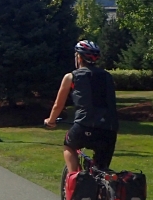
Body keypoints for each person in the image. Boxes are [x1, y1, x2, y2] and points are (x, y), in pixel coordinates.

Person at [44, 40, 118, 173]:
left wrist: (51, 121)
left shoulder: (71, 76)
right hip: (109, 129)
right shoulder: (108, 77)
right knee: (101, 170)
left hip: (84, 125)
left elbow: (58, 105)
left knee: (69, 146)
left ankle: (76, 178)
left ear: (78, 57)